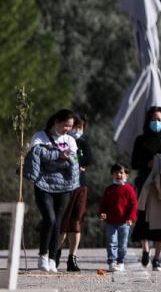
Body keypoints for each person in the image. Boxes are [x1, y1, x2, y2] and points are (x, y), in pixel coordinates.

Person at [27, 109, 80, 273]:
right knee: (49, 218)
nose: (68, 129)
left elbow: (74, 159)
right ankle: (42, 256)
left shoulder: (70, 140)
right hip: (43, 184)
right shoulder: (39, 136)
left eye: (70, 126)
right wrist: (59, 155)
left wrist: (51, 157)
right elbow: (35, 155)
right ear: (56, 121)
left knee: (58, 222)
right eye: (65, 125)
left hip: (63, 186)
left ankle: (52, 258)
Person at [130, 106, 161, 272]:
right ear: (148, 120)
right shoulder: (140, 140)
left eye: (159, 120)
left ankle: (157, 258)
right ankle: (145, 249)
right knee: (143, 218)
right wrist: (148, 163)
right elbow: (134, 163)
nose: (156, 122)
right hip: (145, 183)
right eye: (153, 119)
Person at [57, 112, 93, 272]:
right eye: (75, 127)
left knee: (76, 222)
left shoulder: (84, 143)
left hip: (80, 186)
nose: (77, 130)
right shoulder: (61, 141)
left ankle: (72, 258)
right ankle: (55, 253)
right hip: (64, 186)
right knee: (62, 223)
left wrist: (75, 159)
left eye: (80, 127)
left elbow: (88, 159)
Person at [99, 163, 138, 272]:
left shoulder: (129, 189)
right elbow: (103, 205)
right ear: (112, 175)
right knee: (111, 242)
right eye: (116, 173)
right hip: (110, 222)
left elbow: (133, 205)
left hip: (124, 223)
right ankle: (111, 262)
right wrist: (102, 213)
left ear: (126, 175)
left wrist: (131, 218)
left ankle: (120, 262)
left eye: (121, 172)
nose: (119, 175)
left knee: (122, 244)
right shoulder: (109, 190)